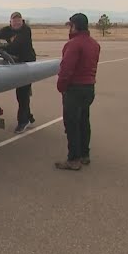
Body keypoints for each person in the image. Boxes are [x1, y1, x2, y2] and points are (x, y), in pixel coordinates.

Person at [55, 13, 101, 170]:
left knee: (72, 124)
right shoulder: (94, 44)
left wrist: (61, 86)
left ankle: (73, 159)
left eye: (71, 25)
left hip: (75, 89)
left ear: (75, 26)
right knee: (84, 122)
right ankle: (84, 155)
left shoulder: (73, 44)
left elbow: (66, 69)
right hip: (89, 88)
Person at [0, 11, 37, 133]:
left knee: (22, 93)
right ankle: (28, 117)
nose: (16, 23)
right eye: (14, 21)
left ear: (22, 21)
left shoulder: (26, 30)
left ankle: (23, 122)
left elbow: (15, 46)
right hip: (16, 62)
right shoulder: (8, 30)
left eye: (18, 21)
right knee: (23, 92)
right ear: (10, 22)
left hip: (27, 64)